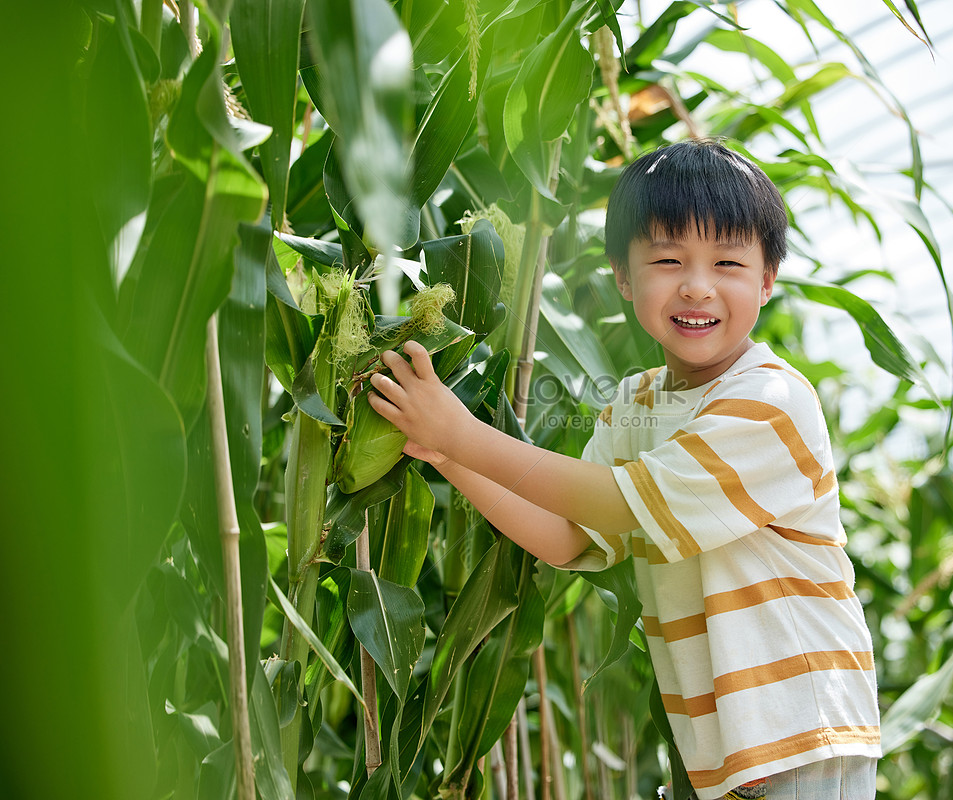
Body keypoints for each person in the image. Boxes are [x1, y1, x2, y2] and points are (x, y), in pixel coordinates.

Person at [368, 139, 881, 799]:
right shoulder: (636, 405)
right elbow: (568, 533)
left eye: (727, 262)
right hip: (718, 755)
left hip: (804, 741)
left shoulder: (770, 401)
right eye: (667, 260)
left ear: (766, 280)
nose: (696, 285)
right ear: (622, 276)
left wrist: (463, 435)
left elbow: (619, 503)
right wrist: (446, 456)